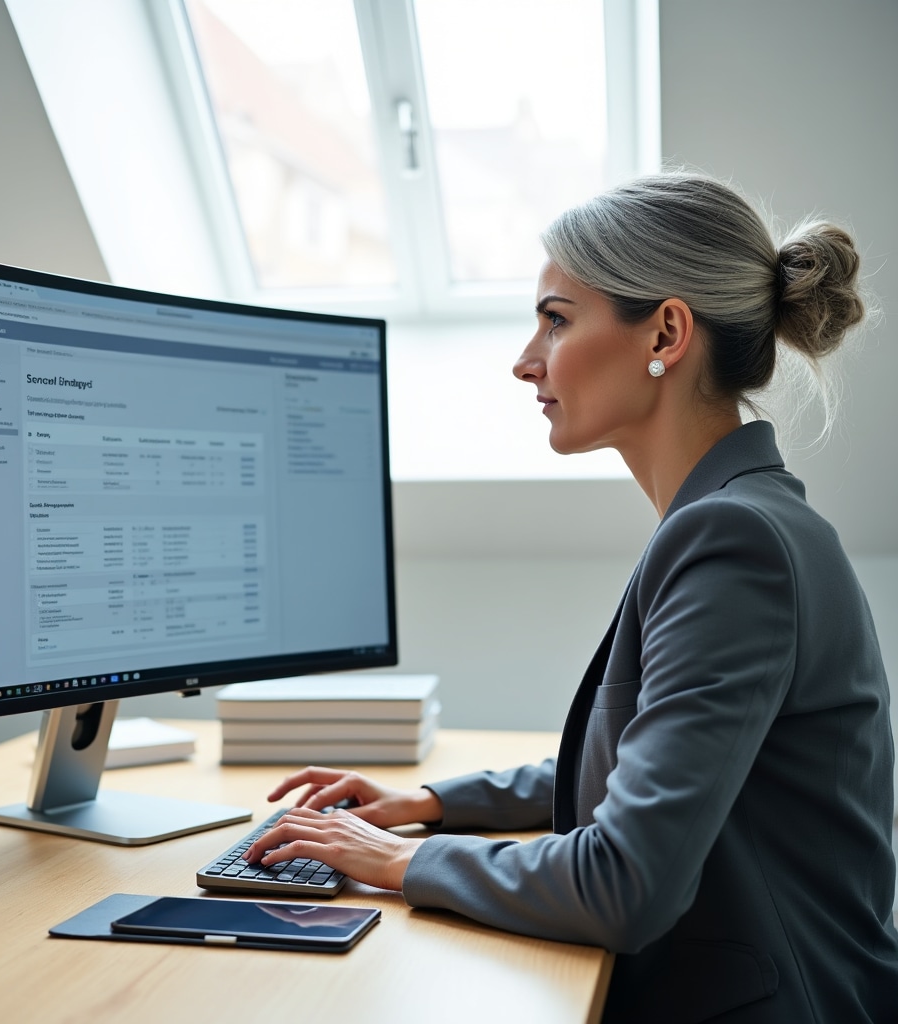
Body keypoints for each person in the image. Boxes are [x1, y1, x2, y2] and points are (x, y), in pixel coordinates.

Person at [246, 173, 898, 1022]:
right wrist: (433, 805)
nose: (526, 361)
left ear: (665, 331)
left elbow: (625, 884)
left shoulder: (734, 544)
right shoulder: (733, 518)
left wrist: (395, 861)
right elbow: (649, 759)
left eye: (557, 319)